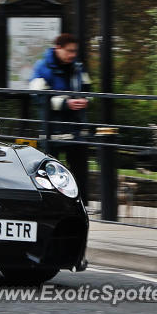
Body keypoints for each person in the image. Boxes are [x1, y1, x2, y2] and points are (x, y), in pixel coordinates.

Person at [29, 33, 91, 205]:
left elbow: (88, 89)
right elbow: (38, 96)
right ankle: (51, 203)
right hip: (53, 131)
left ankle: (82, 205)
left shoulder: (78, 67)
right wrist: (66, 103)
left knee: (80, 170)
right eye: (69, 51)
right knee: (50, 170)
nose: (72, 55)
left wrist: (85, 100)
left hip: (76, 129)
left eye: (74, 51)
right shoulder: (42, 68)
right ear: (58, 48)